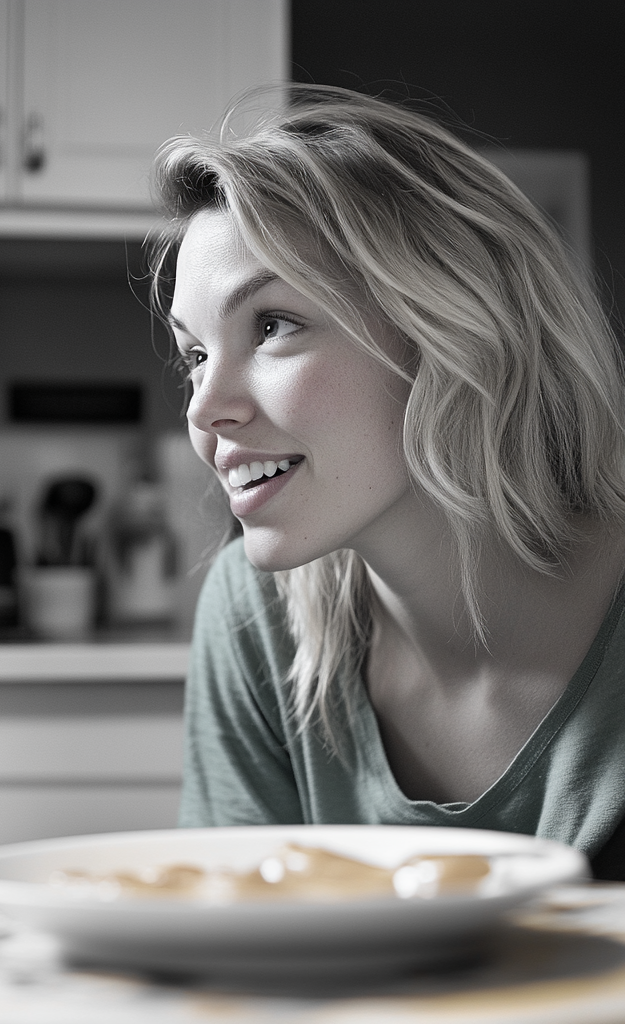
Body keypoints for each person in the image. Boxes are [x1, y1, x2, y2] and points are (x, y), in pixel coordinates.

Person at [148, 85, 625, 878]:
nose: (206, 409)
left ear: (448, 330)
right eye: (195, 355)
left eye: (272, 325)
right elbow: (242, 973)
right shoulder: (257, 616)